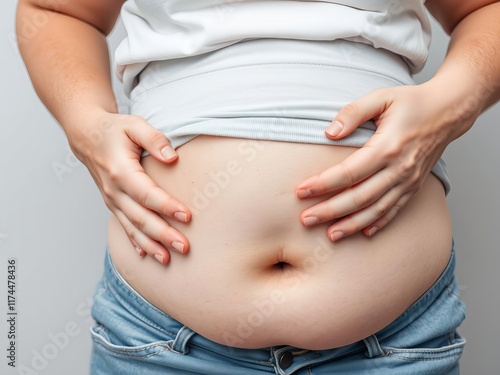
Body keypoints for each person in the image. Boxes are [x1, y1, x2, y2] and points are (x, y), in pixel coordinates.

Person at [16, 0, 500, 374]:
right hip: (160, 339)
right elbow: (56, 10)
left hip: (392, 345)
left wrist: (452, 102)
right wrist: (86, 125)